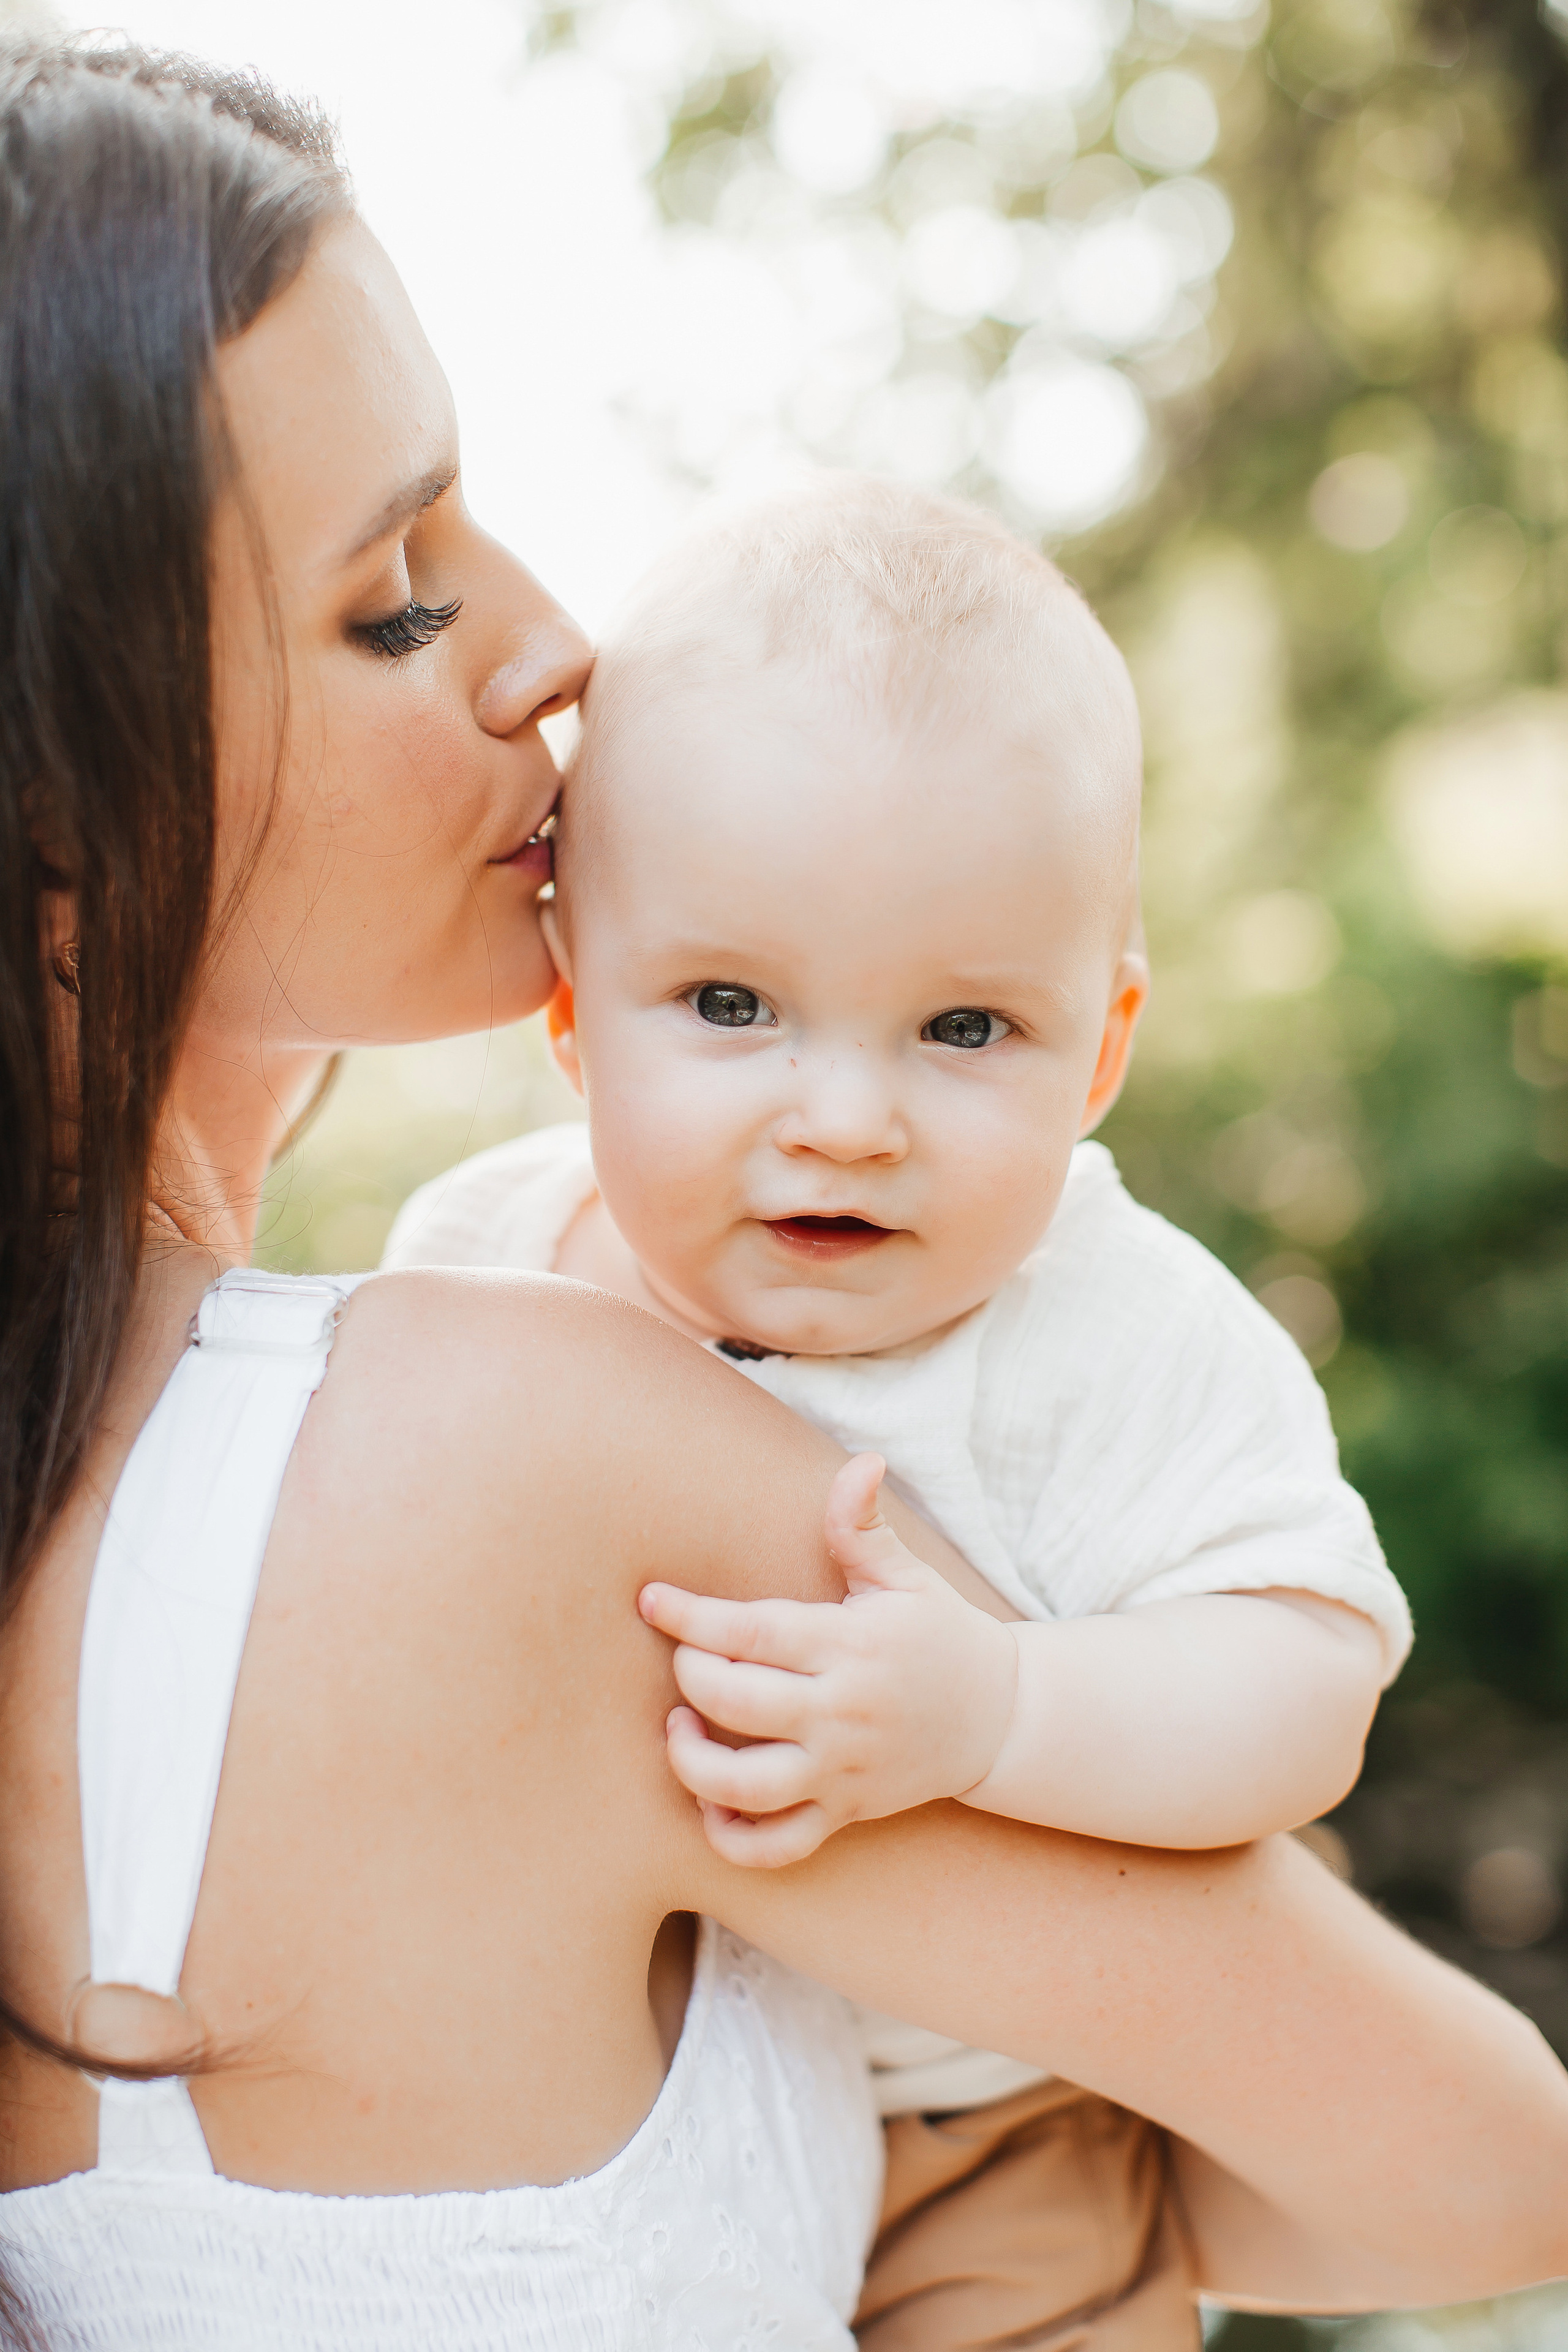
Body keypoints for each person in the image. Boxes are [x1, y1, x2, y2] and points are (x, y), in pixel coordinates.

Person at [0, 33, 1566, 2352]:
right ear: (63, 828)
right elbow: (1490, 2174)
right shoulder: (534, 1450)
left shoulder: (117, 1492)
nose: (550, 646)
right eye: (397, 600)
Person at [381, 477, 1409, 2348]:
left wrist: (1000, 1709)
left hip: (985, 2114)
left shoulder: (1114, 1331)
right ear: (572, 1021)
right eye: (729, 1002)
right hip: (604, 2081)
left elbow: (1306, 1674)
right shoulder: (476, 1268)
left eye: (962, 1031)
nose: (846, 1116)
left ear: (1098, 1051)